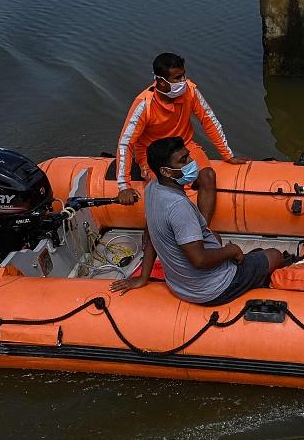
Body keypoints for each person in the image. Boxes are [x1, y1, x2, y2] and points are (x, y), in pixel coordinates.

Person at [111, 137, 283, 306]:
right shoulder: (179, 207)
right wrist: (232, 250)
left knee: (214, 236)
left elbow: (151, 236)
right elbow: (199, 260)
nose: (192, 162)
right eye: (183, 160)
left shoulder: (152, 189)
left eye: (189, 156)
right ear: (166, 171)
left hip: (179, 286)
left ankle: (248, 263)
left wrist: (143, 277)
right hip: (213, 289)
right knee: (275, 255)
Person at [115, 52, 248, 221]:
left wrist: (227, 154)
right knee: (166, 191)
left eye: (183, 75)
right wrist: (123, 186)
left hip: (184, 146)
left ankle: (202, 229)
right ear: (161, 82)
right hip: (154, 153)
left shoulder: (190, 91)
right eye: (177, 78)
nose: (183, 81)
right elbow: (126, 144)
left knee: (208, 176)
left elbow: (209, 120)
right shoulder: (144, 105)